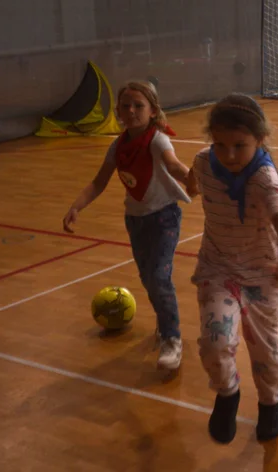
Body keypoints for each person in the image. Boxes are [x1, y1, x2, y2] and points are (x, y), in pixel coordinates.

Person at [63, 81, 194, 374]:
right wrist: (76, 206)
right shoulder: (117, 145)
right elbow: (99, 182)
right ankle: (165, 317)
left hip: (164, 217)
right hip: (135, 220)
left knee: (159, 277)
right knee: (149, 279)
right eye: (125, 106)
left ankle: (172, 338)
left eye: (138, 105)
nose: (131, 111)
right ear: (118, 111)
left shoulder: (158, 140)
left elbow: (173, 166)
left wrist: (193, 178)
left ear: (152, 111)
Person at [191, 94, 278, 444]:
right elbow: (191, 181)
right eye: (220, 145)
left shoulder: (263, 178)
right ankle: (227, 394)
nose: (230, 155)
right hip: (217, 269)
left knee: (265, 350)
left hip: (261, 276)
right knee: (214, 342)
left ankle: (270, 403)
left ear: (260, 140)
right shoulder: (204, 163)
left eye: (240, 145)